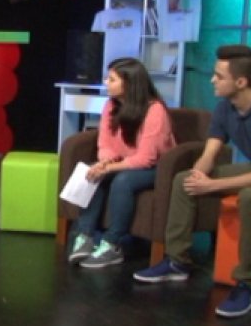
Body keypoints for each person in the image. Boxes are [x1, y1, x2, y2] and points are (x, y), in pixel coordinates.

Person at [133, 44, 251, 318]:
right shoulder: (225, 108)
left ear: (240, 82)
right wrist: (199, 174)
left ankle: (247, 285)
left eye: (219, 76)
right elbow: (210, 153)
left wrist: (211, 186)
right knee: (184, 180)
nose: (212, 80)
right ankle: (177, 261)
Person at [66, 58, 177, 268]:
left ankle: (112, 244)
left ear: (129, 83)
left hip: (158, 168)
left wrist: (110, 167)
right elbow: (105, 144)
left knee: (123, 181)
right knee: (93, 173)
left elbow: (146, 158)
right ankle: (85, 236)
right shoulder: (111, 105)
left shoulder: (155, 110)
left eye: (112, 79)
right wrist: (103, 163)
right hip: (125, 162)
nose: (106, 83)